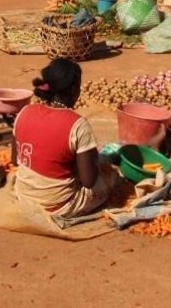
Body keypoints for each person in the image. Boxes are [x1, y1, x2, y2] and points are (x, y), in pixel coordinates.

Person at [12, 58, 115, 218]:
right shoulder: (78, 125)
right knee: (111, 176)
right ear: (74, 89)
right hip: (56, 205)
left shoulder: (25, 111)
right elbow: (88, 181)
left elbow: (15, 160)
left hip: (24, 194)